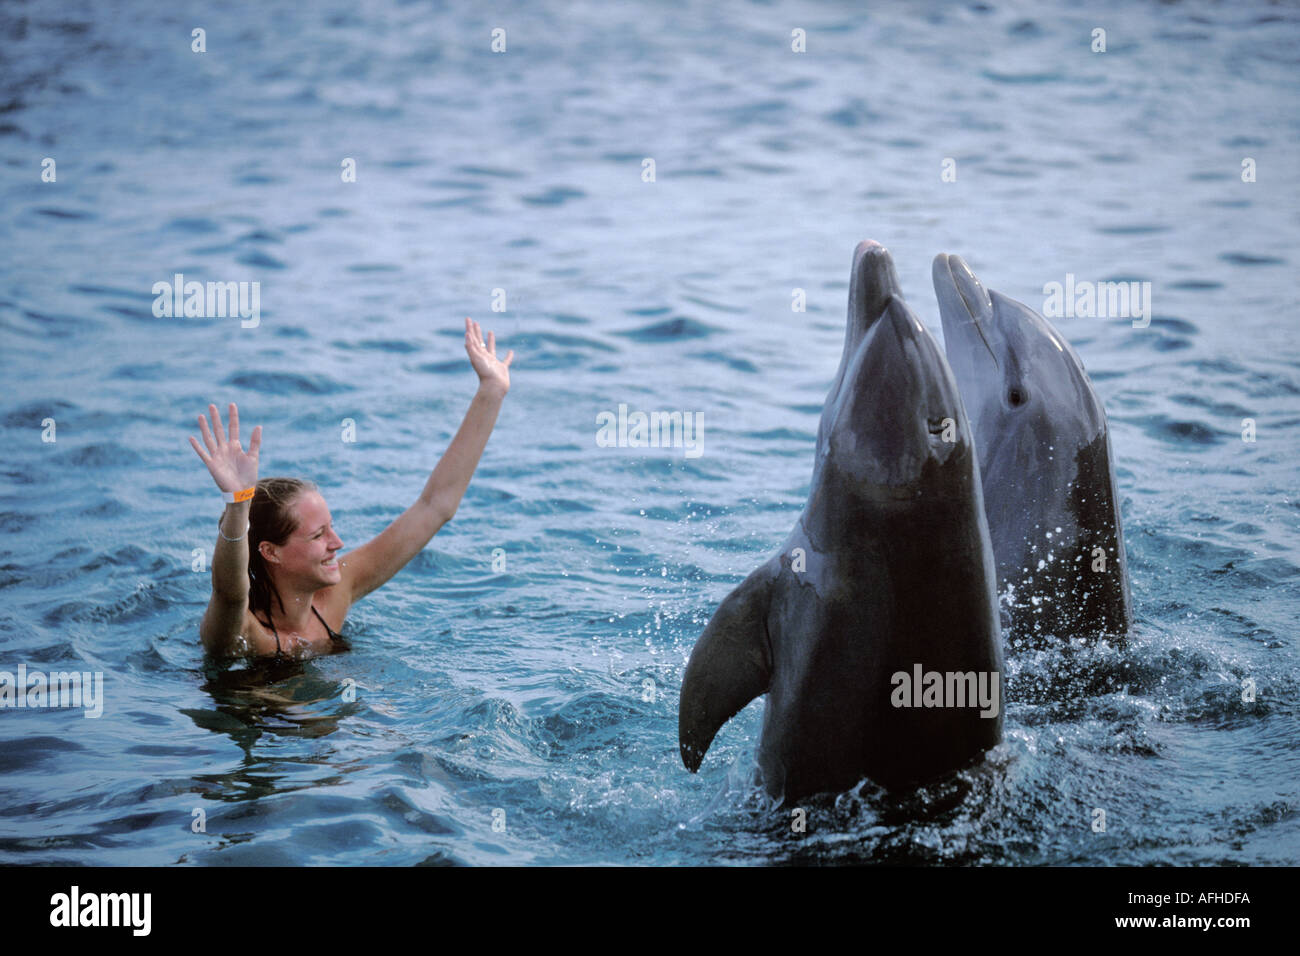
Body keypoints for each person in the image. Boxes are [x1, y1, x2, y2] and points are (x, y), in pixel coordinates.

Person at [188, 317, 513, 660]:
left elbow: (435, 506)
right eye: (318, 536)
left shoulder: (335, 595)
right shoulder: (242, 632)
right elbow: (229, 593)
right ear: (271, 552)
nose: (338, 544)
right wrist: (237, 504)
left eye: (331, 528)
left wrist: (491, 392)